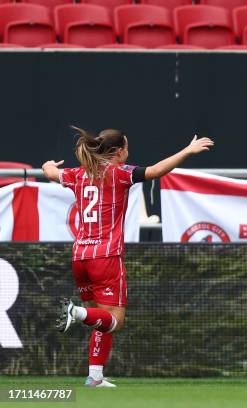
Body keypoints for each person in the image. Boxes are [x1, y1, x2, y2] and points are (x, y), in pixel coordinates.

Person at [42, 127, 214, 388]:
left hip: (80, 256)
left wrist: (47, 164)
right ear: (118, 151)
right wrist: (187, 151)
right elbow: (156, 171)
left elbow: (50, 171)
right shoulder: (119, 173)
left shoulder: (77, 174)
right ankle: (74, 312)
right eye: (127, 147)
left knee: (100, 316)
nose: (129, 152)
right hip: (106, 256)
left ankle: (95, 377)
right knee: (115, 320)